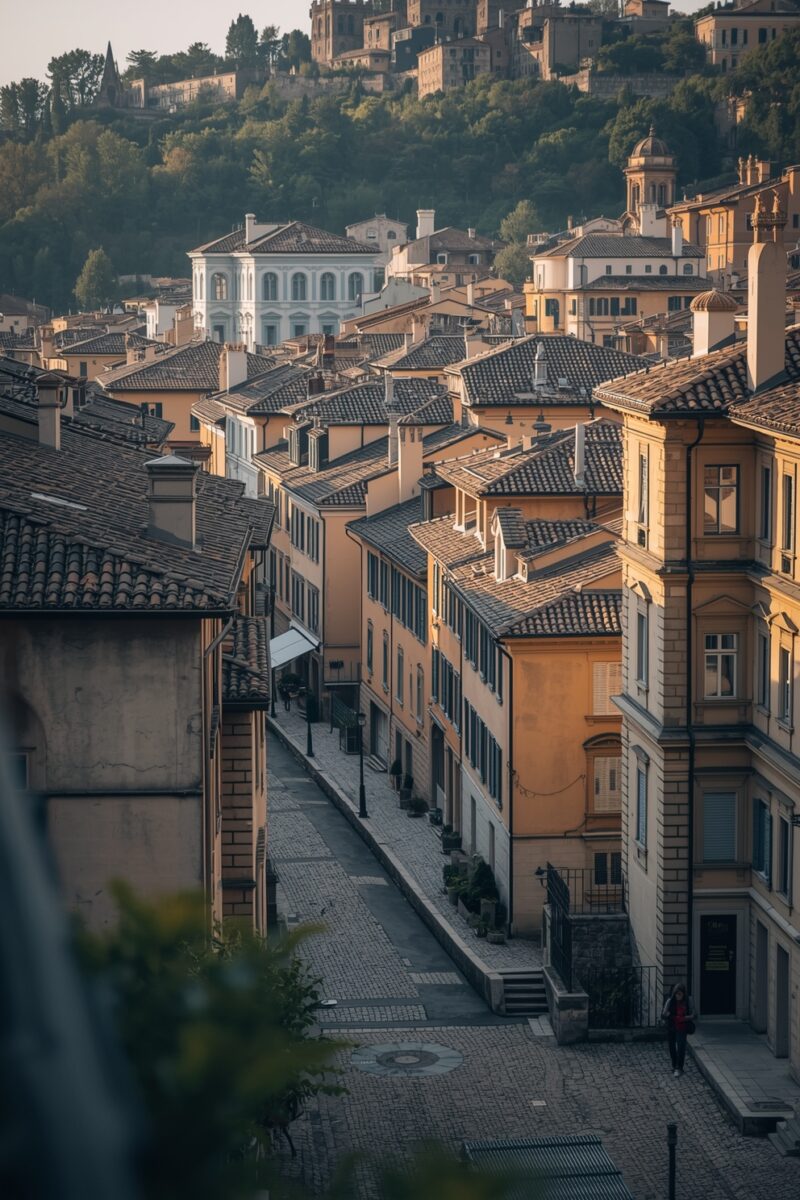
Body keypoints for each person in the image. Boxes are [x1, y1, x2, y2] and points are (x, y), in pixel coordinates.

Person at [662, 982, 695, 1077]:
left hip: (682, 1027)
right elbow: (664, 1013)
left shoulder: (688, 1000)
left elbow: (693, 1014)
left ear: (683, 994)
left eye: (680, 994)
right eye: (676, 993)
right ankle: (674, 1065)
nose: (678, 996)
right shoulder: (670, 1001)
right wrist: (674, 1017)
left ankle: (679, 1067)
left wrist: (684, 1018)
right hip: (672, 1026)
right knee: (672, 1047)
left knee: (681, 1047)